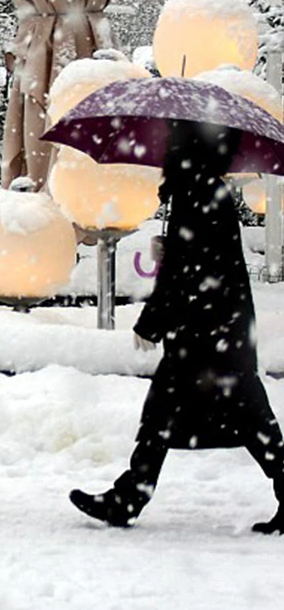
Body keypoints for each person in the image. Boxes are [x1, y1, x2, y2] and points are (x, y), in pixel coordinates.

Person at [70, 119, 284, 533]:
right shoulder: (208, 190)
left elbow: (186, 272)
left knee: (219, 415)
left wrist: (152, 321)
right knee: (225, 415)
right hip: (218, 330)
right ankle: (128, 497)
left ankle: (128, 498)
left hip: (203, 334)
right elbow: (200, 261)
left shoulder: (193, 192)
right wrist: (171, 251)